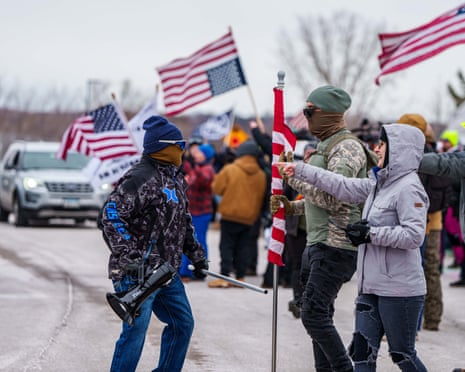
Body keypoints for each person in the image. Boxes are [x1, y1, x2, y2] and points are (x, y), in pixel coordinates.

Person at [275, 123, 428, 371]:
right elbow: (342, 185)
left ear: (400, 149)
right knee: (362, 354)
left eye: (383, 144)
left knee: (402, 354)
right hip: (370, 286)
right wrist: (298, 170)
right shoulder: (378, 185)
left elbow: (414, 236)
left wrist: (371, 234)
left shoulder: (409, 188)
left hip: (400, 290)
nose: (377, 148)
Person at [98, 115, 209, 372]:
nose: (182, 150)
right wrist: (130, 256)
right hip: (136, 273)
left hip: (165, 273)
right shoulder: (140, 178)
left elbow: (184, 220)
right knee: (135, 333)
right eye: (177, 145)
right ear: (163, 148)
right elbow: (111, 215)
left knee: (183, 324)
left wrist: (196, 254)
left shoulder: (175, 178)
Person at [272, 85, 368, 372]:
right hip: (318, 242)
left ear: (327, 114)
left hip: (336, 245)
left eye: (310, 112)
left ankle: (343, 369)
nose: (306, 118)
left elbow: (335, 196)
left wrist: (293, 178)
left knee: (313, 314)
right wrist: (292, 207)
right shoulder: (327, 146)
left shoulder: (346, 148)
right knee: (320, 312)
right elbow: (319, 203)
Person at [397, 114, 451, 331]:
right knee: (430, 270)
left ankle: (420, 321)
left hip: (424, 223)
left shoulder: (422, 157)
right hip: (430, 221)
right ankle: (432, 318)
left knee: (419, 270)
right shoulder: (432, 154)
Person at [208, 139, 267, 288]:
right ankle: (240, 278)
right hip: (249, 217)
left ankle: (224, 276)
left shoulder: (230, 169)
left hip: (229, 214)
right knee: (244, 247)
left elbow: (216, 188)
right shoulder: (261, 174)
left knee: (226, 246)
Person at [420, 144, 465, 288]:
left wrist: (405, 159)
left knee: (430, 265)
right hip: (434, 218)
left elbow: (445, 163)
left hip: (433, 219)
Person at [179, 143, 216, 281]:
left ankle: (199, 270)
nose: (196, 154)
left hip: (201, 212)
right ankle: (185, 270)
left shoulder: (207, 169)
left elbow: (203, 180)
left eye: (199, 152)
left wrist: (193, 165)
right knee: (187, 241)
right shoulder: (196, 168)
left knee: (199, 241)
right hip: (191, 211)